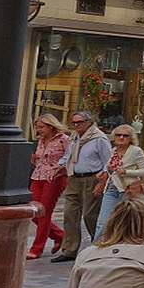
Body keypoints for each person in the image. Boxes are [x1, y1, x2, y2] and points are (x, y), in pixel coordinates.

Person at [54, 111, 112, 263]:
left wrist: (102, 181)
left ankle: (99, 246)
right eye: (74, 123)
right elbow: (68, 155)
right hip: (74, 177)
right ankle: (69, 250)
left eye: (80, 122)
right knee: (69, 214)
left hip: (92, 178)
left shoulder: (99, 138)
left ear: (89, 122)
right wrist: (60, 165)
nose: (76, 125)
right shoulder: (74, 137)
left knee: (90, 214)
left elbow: (108, 161)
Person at [93, 124, 144, 240]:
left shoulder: (136, 151)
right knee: (103, 221)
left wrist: (126, 171)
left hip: (129, 189)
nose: (121, 137)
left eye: (125, 135)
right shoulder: (113, 151)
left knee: (127, 220)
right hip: (111, 188)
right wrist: (103, 173)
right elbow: (110, 168)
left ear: (131, 138)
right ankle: (97, 246)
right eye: (118, 135)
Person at [28, 113, 71, 260]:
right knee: (32, 210)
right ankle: (60, 236)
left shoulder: (64, 140)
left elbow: (70, 157)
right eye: (37, 127)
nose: (39, 130)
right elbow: (38, 160)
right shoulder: (39, 141)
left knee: (44, 213)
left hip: (54, 177)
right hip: (38, 175)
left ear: (50, 126)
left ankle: (37, 248)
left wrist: (61, 168)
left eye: (41, 127)